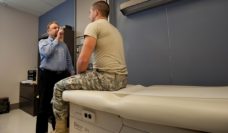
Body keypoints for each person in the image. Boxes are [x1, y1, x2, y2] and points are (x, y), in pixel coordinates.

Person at [51, 1, 128, 133]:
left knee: (58, 87)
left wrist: (79, 74)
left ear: (96, 12)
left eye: (89, 12)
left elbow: (83, 60)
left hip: (107, 79)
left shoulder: (93, 25)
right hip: (122, 79)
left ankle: (60, 130)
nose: (89, 15)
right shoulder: (115, 30)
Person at [36, 21, 75, 133]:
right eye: (54, 28)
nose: (57, 29)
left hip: (61, 77)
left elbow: (68, 60)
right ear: (48, 31)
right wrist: (57, 40)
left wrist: (72, 73)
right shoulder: (43, 42)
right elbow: (46, 53)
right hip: (47, 76)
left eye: (58, 27)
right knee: (43, 107)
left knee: (58, 106)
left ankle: (56, 130)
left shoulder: (64, 45)